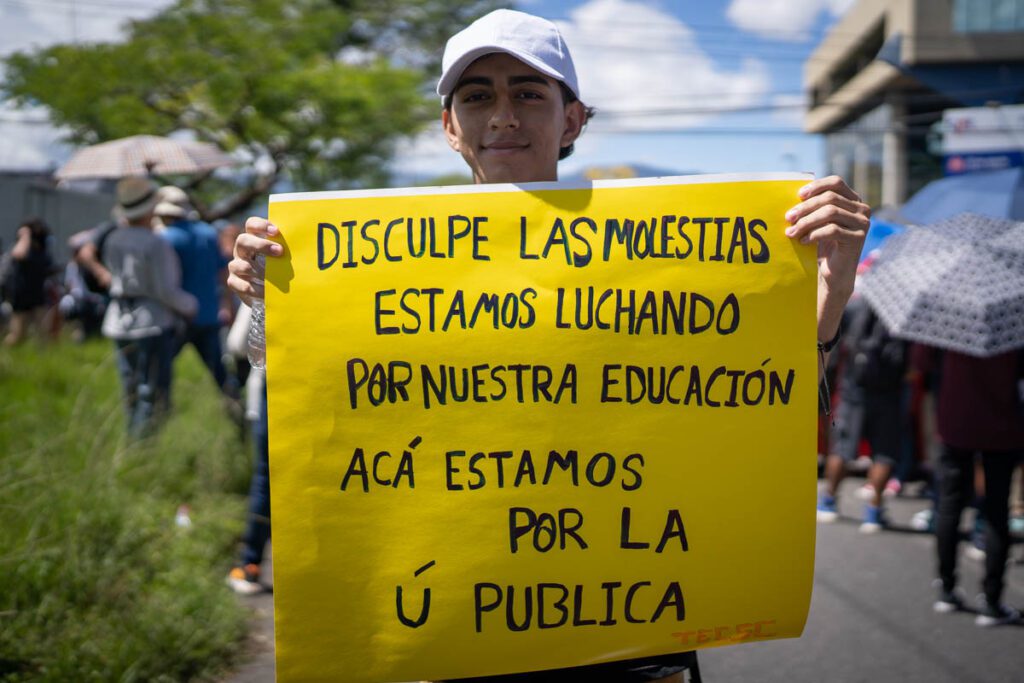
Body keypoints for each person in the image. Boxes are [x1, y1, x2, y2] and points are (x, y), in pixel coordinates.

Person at [226, 9, 871, 681]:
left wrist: (830, 290)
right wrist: (269, 306)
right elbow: (314, 394)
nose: (502, 114)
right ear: (450, 126)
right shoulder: (371, 262)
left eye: (528, 92)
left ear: (571, 120)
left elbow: (751, 411)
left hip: (630, 639)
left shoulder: (664, 258)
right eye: (477, 96)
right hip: (458, 631)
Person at [913, 345, 1024, 627]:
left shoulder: (951, 316)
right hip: (1002, 423)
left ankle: (947, 589)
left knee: (949, 507)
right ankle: (991, 600)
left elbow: (922, 360)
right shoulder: (1013, 319)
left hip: (955, 420)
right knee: (996, 512)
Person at [102, 177, 197, 439]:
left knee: (129, 386)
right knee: (152, 389)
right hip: (151, 320)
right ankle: (144, 446)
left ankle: (132, 436)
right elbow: (164, 290)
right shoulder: (156, 244)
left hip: (119, 318)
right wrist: (190, 305)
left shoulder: (114, 238)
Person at [816, 296, 908, 532]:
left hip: (852, 388)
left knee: (842, 447)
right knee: (884, 453)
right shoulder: (905, 312)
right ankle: (873, 511)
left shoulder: (856, 306)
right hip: (889, 391)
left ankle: (828, 501)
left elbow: (835, 344)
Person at [154, 186, 236, 401]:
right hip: (209, 314)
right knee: (220, 374)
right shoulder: (209, 233)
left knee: (159, 373)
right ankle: (238, 412)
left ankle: (157, 417)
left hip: (177, 317)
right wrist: (226, 305)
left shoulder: (165, 238)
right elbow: (223, 272)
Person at [2, 217, 55, 346]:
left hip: (37, 295)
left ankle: (43, 359)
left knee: (43, 332)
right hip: (21, 296)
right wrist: (25, 235)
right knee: (18, 334)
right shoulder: (22, 246)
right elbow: (19, 254)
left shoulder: (41, 250)